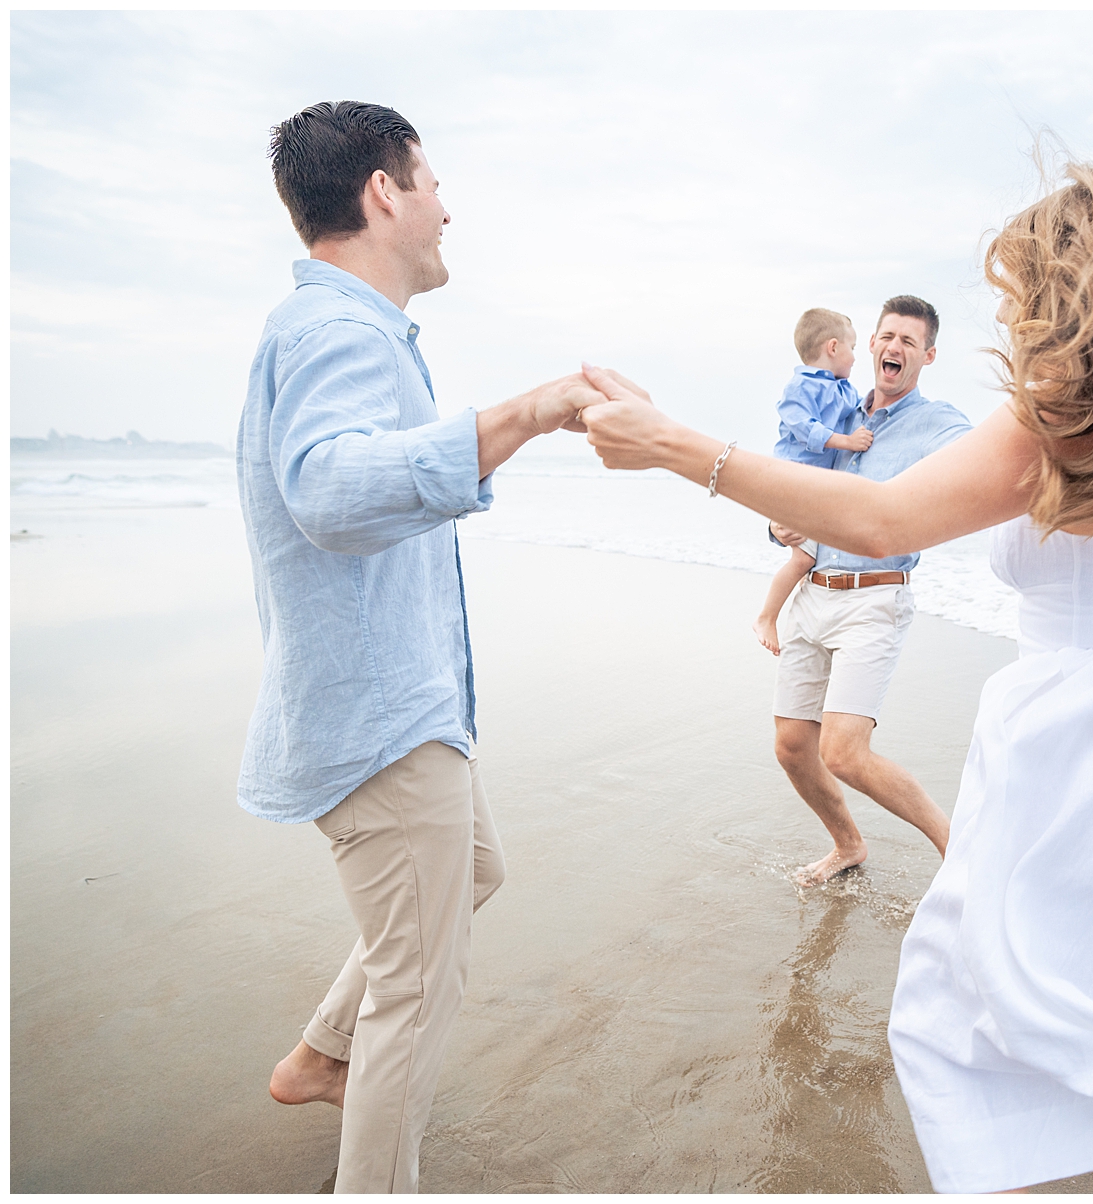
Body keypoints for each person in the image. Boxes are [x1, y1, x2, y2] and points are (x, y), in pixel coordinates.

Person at [574, 163, 1093, 1193]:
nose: (1006, 308)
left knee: (969, 1001)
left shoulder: (1059, 421)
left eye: (1018, 286)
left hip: (1086, 745)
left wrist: (676, 446)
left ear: (1061, 292)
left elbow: (888, 520)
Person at [238, 101, 602, 1194]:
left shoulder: (348, 333)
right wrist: (532, 411)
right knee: (417, 988)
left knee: (474, 872)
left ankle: (316, 1056)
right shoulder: (337, 332)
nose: (448, 205)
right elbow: (331, 493)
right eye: (431, 181)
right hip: (378, 717)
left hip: (405, 704)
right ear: (384, 193)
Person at [760, 295, 970, 885]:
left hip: (875, 597)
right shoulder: (838, 410)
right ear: (870, 346)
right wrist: (776, 526)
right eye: (886, 336)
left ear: (928, 355)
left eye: (909, 340)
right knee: (793, 746)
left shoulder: (940, 422)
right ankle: (848, 845)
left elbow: (990, 463)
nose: (893, 347)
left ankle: (960, 851)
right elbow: (793, 478)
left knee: (845, 752)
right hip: (812, 589)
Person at [751, 307, 871, 655]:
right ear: (833, 347)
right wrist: (846, 441)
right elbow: (803, 428)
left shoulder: (845, 390)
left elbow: (862, 410)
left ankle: (803, 615)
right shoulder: (800, 387)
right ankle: (766, 616)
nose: (855, 356)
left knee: (810, 556)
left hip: (815, 488)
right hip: (792, 480)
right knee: (802, 559)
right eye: (852, 347)